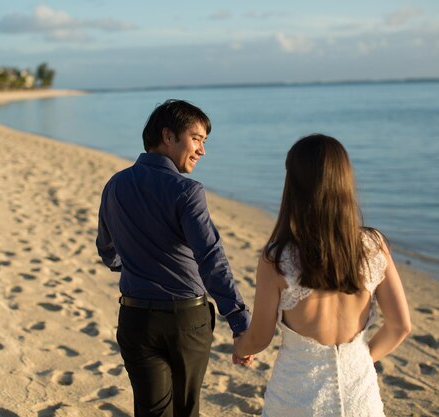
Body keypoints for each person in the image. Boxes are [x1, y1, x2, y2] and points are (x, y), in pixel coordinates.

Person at [233, 134, 411, 416]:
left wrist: (241, 347)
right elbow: (400, 326)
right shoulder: (373, 246)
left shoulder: (278, 258)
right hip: (359, 396)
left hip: (297, 396)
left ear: (294, 186)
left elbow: (261, 337)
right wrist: (361, 360)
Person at [96, 99, 252, 417]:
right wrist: (238, 321)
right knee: (185, 411)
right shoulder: (186, 191)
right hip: (185, 322)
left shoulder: (114, 184)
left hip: (135, 318)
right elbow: (211, 258)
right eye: (196, 139)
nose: (202, 151)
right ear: (168, 136)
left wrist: (137, 264)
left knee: (151, 412)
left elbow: (107, 251)